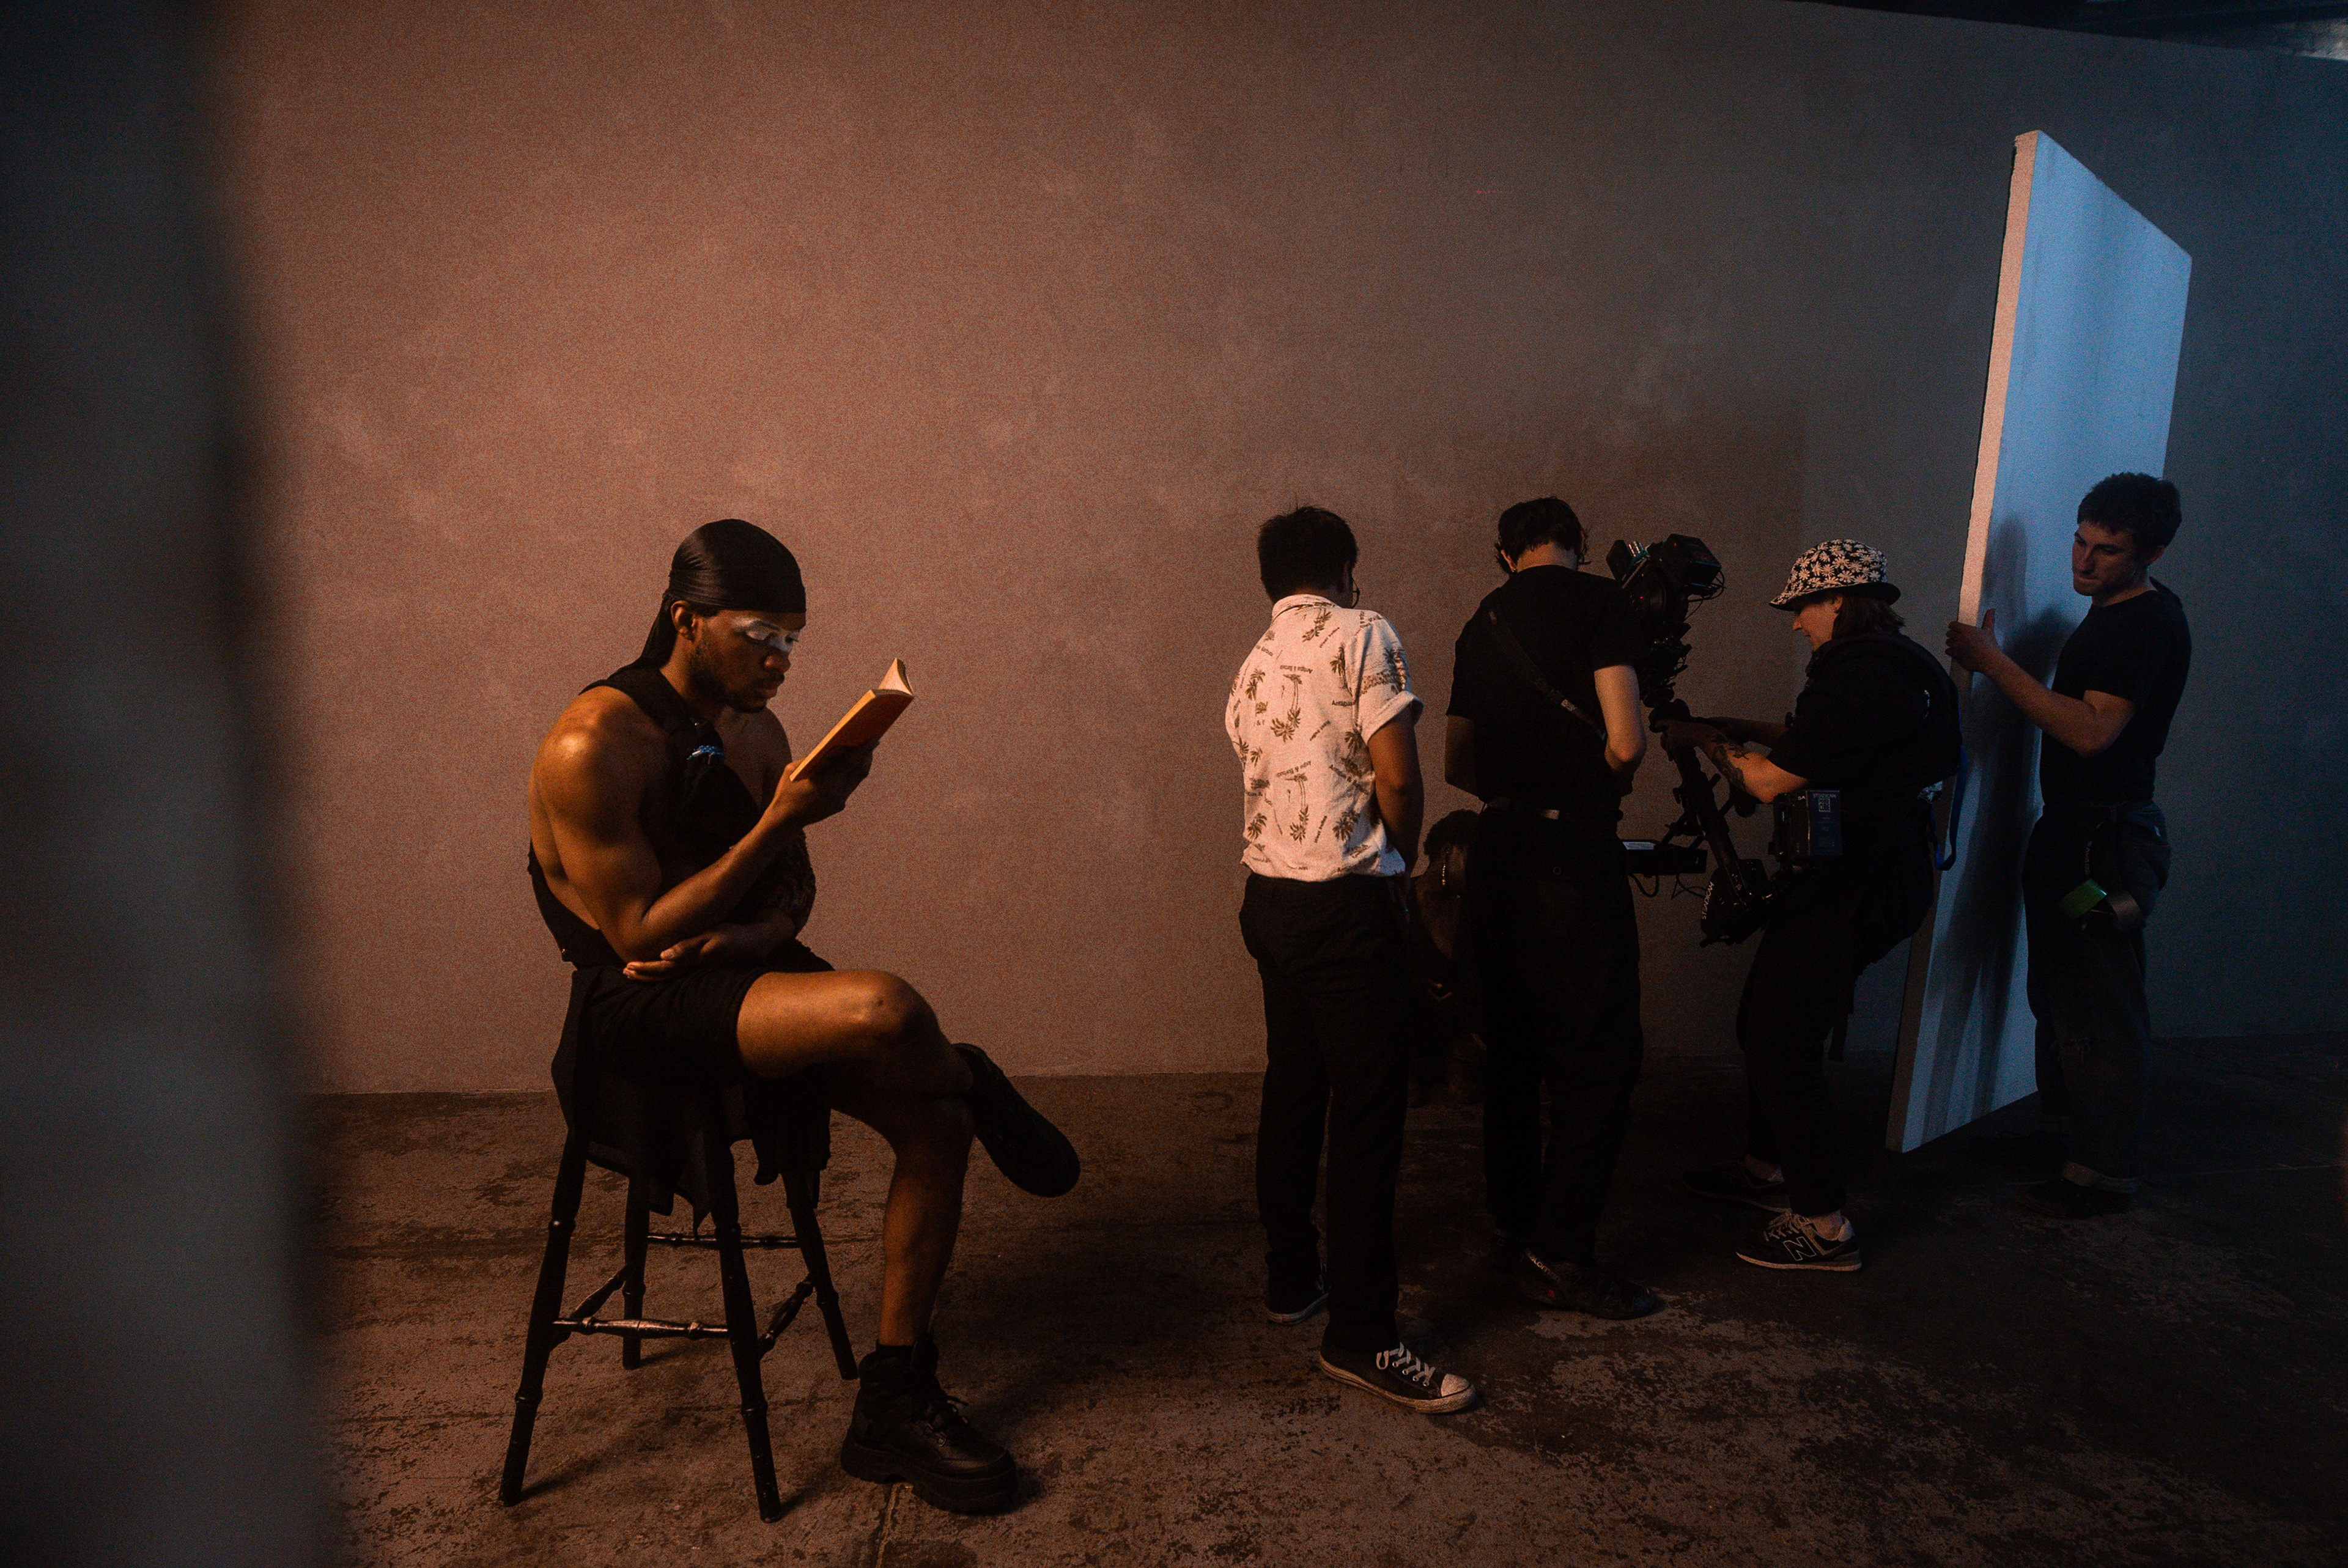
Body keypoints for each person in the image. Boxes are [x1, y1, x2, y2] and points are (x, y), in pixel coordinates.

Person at [525, 518, 1079, 1514]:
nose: (781, 662)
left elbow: (794, 891)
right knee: (888, 1006)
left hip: (739, 972)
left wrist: (752, 930)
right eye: (760, 638)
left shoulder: (758, 730)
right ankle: (971, 1069)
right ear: (687, 621)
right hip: (639, 1003)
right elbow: (634, 930)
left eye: (793, 641)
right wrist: (781, 817)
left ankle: (894, 1401)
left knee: (938, 1124)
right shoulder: (592, 743)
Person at [1225, 505, 1477, 1415]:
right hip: (1344, 905)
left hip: (1270, 901)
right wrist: (1402, 867)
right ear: (1343, 568)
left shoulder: (1253, 664)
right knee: (1369, 1115)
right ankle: (1363, 1335)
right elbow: (1398, 777)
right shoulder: (1364, 632)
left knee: (1294, 1089)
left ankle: (1293, 1277)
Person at [1667, 540, 1959, 1271]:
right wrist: (1747, 730)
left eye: (1802, 608)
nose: (1797, 623)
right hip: (1874, 876)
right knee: (1765, 1018)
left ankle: (1825, 1227)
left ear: (1837, 600)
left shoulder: (1860, 673)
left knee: (1780, 1039)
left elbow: (1771, 783)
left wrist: (1705, 741)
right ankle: (1767, 1169)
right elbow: (1836, 746)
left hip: (1857, 885)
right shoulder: (1903, 665)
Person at [1947, 475, 2190, 1218]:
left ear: (2151, 553)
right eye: (2080, 542)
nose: (2083, 562)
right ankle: (2065, 1137)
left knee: (2100, 1009)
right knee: (2059, 997)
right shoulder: (2114, 613)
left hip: (2104, 843)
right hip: (2077, 830)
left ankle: (2103, 1173)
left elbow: (2091, 733)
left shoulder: (2140, 625)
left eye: (2106, 551)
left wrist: (1993, 663)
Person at [1445, 496, 1660, 1320]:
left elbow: (1459, 761)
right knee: (1598, 1057)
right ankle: (1561, 1254)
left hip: (1498, 850)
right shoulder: (1602, 602)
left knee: (1513, 1052)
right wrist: (1594, 776)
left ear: (1504, 555)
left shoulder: (1483, 619)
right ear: (1578, 544)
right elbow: (1627, 740)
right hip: (1572, 856)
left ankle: (1513, 1229)